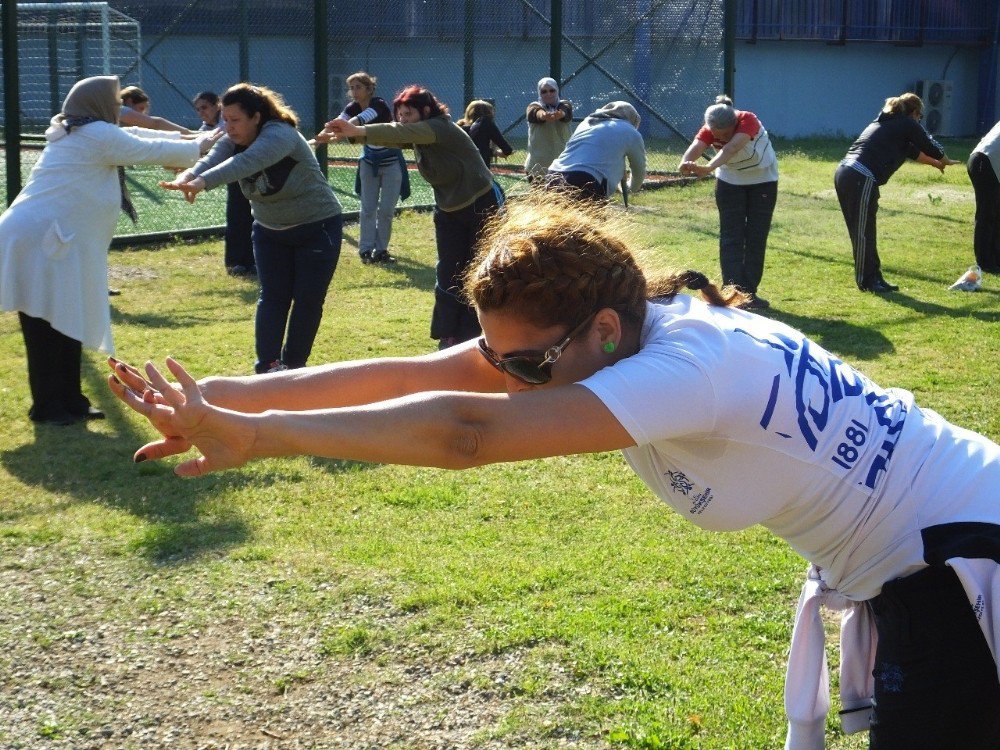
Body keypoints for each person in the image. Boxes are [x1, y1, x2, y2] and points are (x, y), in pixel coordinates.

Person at [109, 190, 1000, 749]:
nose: (511, 380)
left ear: (602, 333)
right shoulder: (633, 320)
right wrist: (222, 397)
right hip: (927, 565)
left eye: (529, 367)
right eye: (504, 360)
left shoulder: (688, 366)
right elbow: (425, 374)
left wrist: (257, 439)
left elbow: (465, 432)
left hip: (963, 565)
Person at [0, 75, 210, 425]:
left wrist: (199, 139)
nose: (121, 109)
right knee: (45, 327)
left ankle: (70, 402)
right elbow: (149, 149)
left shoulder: (84, 130)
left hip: (49, 241)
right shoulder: (95, 134)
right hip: (41, 243)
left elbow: (143, 137)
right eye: (115, 104)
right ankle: (49, 407)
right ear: (97, 104)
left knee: (65, 320)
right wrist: (205, 141)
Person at [160, 83, 344, 374]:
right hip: (270, 230)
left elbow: (246, 162)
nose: (229, 127)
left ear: (256, 117)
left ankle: (295, 369)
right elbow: (213, 157)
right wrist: (188, 176)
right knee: (272, 297)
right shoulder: (231, 136)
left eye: (235, 120)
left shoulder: (280, 135)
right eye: (225, 119)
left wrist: (202, 183)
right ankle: (268, 369)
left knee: (308, 301)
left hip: (317, 226)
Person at [317, 85, 504, 349]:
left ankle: (484, 334)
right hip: (449, 210)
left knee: (481, 270)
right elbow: (392, 135)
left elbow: (399, 131)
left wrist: (357, 129)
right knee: (448, 272)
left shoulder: (440, 127)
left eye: (408, 113)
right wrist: (349, 135)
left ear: (426, 111)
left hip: (481, 204)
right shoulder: (417, 133)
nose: (402, 119)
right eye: (399, 114)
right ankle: (448, 337)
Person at [835, 92, 961, 293]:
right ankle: (867, 281)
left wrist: (935, 164)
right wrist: (943, 157)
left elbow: (914, 152)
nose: (920, 120)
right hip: (860, 176)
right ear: (915, 113)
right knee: (863, 232)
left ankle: (875, 277)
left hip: (850, 174)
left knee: (866, 230)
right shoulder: (907, 124)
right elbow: (929, 145)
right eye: (920, 117)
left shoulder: (889, 124)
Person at [679, 95, 778, 311]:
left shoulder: (747, 120)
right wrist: (686, 162)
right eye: (716, 135)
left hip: (762, 182)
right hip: (729, 183)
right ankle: (732, 293)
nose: (719, 137)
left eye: (724, 134)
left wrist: (707, 168)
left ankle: (749, 294)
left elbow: (731, 149)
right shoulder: (710, 128)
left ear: (734, 123)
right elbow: (697, 146)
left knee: (755, 236)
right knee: (731, 236)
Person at [335, 71, 409, 265]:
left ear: (369, 88)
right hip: (368, 162)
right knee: (368, 208)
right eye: (351, 88)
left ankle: (381, 250)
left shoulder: (379, 104)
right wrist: (326, 132)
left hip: (391, 162)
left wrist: (342, 128)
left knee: (385, 210)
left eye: (358, 87)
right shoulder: (351, 107)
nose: (354, 91)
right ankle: (366, 250)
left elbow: (361, 120)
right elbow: (340, 121)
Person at [193, 90, 256, 277]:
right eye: (197, 110)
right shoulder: (205, 129)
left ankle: (255, 261)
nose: (201, 112)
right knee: (237, 217)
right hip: (234, 176)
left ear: (216, 105)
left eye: (204, 107)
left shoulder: (224, 125)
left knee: (257, 218)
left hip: (253, 170)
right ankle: (236, 262)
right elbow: (206, 151)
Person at [546, 101, 645, 202]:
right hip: (585, 180)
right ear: (632, 118)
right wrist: (630, 188)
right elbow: (639, 170)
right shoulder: (630, 131)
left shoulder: (587, 122)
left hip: (553, 175)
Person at [967, 119, 1000, 274]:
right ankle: (985, 261)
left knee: (996, 214)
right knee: (987, 214)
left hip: (984, 161)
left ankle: (995, 258)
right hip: (986, 163)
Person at [524, 77, 572, 182]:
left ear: (557, 91)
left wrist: (560, 114)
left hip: (562, 165)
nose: (548, 94)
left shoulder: (565, 105)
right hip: (537, 167)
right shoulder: (533, 106)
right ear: (539, 92)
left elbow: (565, 112)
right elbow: (535, 113)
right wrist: (544, 116)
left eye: (552, 90)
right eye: (544, 91)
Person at [457, 99, 513, 168]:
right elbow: (507, 149)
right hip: (481, 169)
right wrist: (496, 152)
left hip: (461, 167)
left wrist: (493, 152)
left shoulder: (460, 127)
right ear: (489, 114)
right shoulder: (486, 124)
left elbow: (473, 148)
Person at [119, 85, 192, 134]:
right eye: (141, 108)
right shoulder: (120, 111)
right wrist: (189, 133)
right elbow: (156, 123)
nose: (142, 114)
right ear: (129, 102)